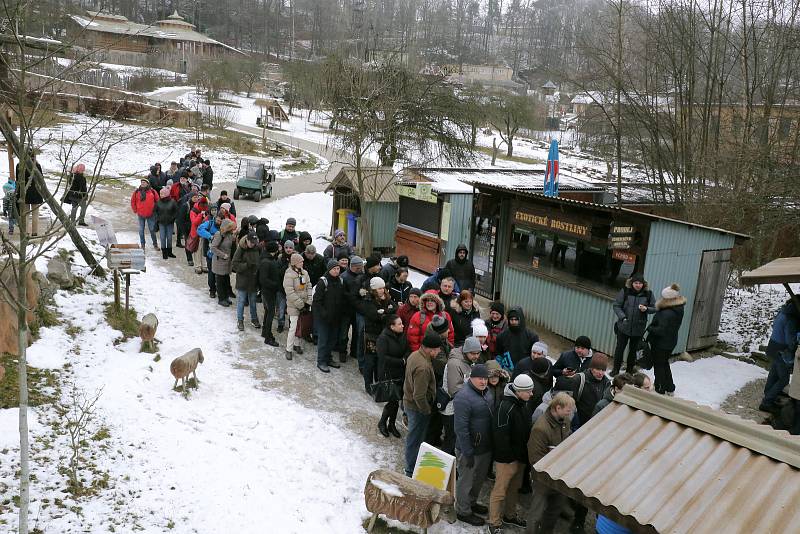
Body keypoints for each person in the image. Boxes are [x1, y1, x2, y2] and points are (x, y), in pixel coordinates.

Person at [488, 374, 535, 533]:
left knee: (513, 489)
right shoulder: (505, 407)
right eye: (528, 391)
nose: (531, 394)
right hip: (507, 460)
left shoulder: (523, 403)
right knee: (500, 491)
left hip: (520, 457)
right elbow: (500, 436)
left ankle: (509, 515)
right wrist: (508, 458)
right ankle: (494, 523)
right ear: (519, 391)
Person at [525, 392, 576, 534]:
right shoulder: (540, 428)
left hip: (559, 476)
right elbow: (535, 458)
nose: (570, 413)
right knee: (537, 513)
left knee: (554, 511)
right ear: (557, 408)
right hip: (542, 479)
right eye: (568, 410)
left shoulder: (565, 421)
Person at [452, 362, 493, 527]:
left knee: (478, 480)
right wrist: (467, 452)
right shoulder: (463, 397)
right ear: (471, 378)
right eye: (479, 378)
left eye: (485, 378)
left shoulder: (487, 393)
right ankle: (463, 511)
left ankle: (471, 502)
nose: (483, 381)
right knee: (465, 481)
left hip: (485, 447)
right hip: (469, 449)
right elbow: (460, 428)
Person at [403, 330, 441, 477]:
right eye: (437, 349)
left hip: (410, 403)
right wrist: (426, 410)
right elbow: (419, 395)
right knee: (415, 439)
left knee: (414, 438)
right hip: (417, 408)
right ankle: (410, 471)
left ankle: (411, 467)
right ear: (431, 349)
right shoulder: (423, 367)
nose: (438, 352)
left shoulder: (415, 355)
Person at [443, 336, 483, 456]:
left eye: (478, 353)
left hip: (461, 406)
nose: (476, 356)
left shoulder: (469, 361)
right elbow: (454, 390)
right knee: (451, 438)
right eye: (473, 353)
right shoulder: (455, 364)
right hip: (451, 408)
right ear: (465, 351)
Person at [357, 277, 397, 393]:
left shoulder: (386, 298)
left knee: (380, 361)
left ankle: (378, 384)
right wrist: (386, 312)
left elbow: (395, 308)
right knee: (370, 361)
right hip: (371, 335)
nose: (382, 290)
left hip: (383, 334)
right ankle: (368, 385)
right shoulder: (368, 299)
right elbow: (374, 316)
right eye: (379, 288)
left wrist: (384, 311)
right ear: (374, 289)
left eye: (383, 288)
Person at [612, 273, 656, 375]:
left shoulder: (648, 294)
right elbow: (616, 305)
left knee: (633, 351)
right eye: (636, 283)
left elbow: (655, 308)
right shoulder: (625, 291)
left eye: (640, 283)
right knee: (619, 349)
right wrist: (623, 317)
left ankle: (629, 371)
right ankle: (615, 370)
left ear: (643, 284)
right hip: (623, 326)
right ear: (632, 283)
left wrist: (646, 309)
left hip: (638, 328)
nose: (637, 285)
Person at [647, 283, 686, 395]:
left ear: (668, 298)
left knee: (659, 366)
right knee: (664, 364)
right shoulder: (677, 308)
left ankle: (660, 388)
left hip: (661, 344)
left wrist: (650, 328)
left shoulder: (666, 313)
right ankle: (670, 387)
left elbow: (660, 330)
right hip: (670, 341)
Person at [376, 314, 410, 437]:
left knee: (396, 399)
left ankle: (391, 424)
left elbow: (407, 349)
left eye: (402, 323)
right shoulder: (383, 338)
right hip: (387, 373)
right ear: (392, 326)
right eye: (399, 324)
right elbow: (383, 357)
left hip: (400, 372)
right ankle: (382, 422)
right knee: (392, 401)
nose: (402, 325)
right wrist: (401, 361)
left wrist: (405, 358)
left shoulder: (402, 335)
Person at [312, 259, 346, 373]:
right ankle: (321, 361)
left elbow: (343, 298)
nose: (337, 271)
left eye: (338, 269)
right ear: (329, 269)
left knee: (332, 340)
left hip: (336, 317)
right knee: (323, 340)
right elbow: (316, 301)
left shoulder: (341, 281)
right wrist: (324, 314)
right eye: (334, 269)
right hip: (324, 318)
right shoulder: (323, 282)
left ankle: (328, 358)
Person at [283, 252, 313, 360]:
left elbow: (309, 286)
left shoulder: (305, 273)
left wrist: (309, 301)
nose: (303, 263)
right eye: (301, 261)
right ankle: (288, 349)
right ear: (295, 263)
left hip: (304, 304)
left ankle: (297, 344)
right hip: (294, 305)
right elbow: (289, 292)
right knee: (293, 327)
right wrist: (300, 304)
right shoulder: (289, 274)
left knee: (302, 325)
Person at [232, 230, 261, 331]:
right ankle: (240, 320)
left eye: (254, 243)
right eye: (251, 242)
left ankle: (254, 319)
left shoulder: (257, 248)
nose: (253, 245)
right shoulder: (241, 249)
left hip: (253, 280)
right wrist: (246, 266)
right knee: (241, 301)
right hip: (243, 280)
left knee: (253, 301)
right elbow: (234, 264)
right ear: (247, 240)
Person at [340, 255, 366, 365]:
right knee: (344, 334)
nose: (360, 269)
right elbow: (341, 294)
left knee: (357, 333)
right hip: (346, 310)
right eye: (359, 267)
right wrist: (355, 295)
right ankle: (342, 351)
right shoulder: (344, 277)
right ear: (353, 266)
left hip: (357, 310)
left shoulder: (362, 276)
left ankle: (354, 351)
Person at [258, 241, 283, 347]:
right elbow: (263, 279)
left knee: (268, 312)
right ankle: (268, 337)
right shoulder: (266, 261)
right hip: (268, 292)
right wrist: (276, 284)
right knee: (270, 313)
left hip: (269, 291)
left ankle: (265, 332)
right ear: (274, 250)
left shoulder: (268, 259)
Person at [16, 151, 44, 236]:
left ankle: (26, 232)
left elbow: (18, 179)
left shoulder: (19, 165)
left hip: (24, 191)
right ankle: (34, 232)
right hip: (35, 192)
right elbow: (41, 179)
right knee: (35, 213)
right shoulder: (37, 166)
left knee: (25, 214)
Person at [210, 219, 236, 306]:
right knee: (220, 281)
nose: (233, 229)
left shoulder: (229, 235)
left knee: (225, 280)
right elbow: (213, 248)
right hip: (219, 261)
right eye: (231, 228)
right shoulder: (219, 235)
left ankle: (226, 297)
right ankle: (221, 298)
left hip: (226, 262)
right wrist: (223, 255)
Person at [131, 178, 159, 250]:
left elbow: (158, 201)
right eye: (142, 182)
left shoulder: (152, 191)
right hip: (141, 214)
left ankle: (155, 244)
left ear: (147, 183)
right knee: (141, 230)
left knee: (152, 230)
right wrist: (135, 210)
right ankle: (143, 244)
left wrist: (155, 209)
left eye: (144, 182)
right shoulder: (137, 192)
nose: (143, 183)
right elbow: (133, 201)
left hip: (151, 214)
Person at [196, 212, 219, 298]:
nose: (219, 222)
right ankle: (212, 290)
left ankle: (220, 290)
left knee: (220, 274)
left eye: (220, 220)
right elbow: (199, 230)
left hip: (220, 253)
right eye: (217, 220)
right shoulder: (209, 223)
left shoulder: (224, 224)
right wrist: (210, 236)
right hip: (210, 253)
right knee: (211, 272)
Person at [275, 240, 295, 333]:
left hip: (292, 289)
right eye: (286, 247)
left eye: (290, 248)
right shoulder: (280, 258)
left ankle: (292, 325)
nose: (288, 249)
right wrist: (287, 266)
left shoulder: (296, 258)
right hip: (281, 288)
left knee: (292, 309)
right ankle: (281, 324)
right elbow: (278, 273)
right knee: (281, 308)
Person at [154, 187, 178, 259]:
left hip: (170, 223)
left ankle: (169, 252)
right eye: (160, 193)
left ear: (167, 194)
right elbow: (155, 212)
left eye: (162, 193)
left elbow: (176, 211)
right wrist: (158, 219)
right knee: (162, 238)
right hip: (161, 223)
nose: (160, 195)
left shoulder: (172, 202)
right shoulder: (158, 202)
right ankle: (164, 253)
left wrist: (172, 218)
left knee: (169, 238)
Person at [189, 196, 210, 271]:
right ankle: (197, 266)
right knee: (197, 249)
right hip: (196, 233)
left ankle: (204, 265)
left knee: (204, 249)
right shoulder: (193, 211)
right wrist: (200, 215)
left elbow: (208, 221)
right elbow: (194, 222)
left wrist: (206, 217)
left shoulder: (206, 210)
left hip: (204, 233)